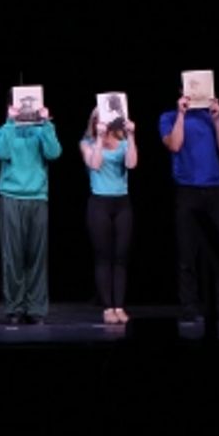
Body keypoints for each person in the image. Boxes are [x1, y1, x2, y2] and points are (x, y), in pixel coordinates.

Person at [160, 93, 219, 322]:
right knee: (187, 253)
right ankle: (190, 307)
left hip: (216, 189)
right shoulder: (168, 117)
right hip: (188, 190)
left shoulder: (211, 116)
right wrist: (181, 114)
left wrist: (217, 120)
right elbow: (174, 145)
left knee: (218, 253)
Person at [0, 103, 62, 325]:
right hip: (11, 197)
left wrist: (46, 123)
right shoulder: (2, 131)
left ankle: (36, 308)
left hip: (37, 197)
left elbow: (54, 153)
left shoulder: (41, 131)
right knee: (13, 257)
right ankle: (14, 308)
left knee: (36, 256)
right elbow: (2, 152)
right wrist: (10, 122)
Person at [80, 110, 138, 325]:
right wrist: (99, 138)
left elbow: (131, 164)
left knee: (121, 256)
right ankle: (107, 307)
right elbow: (94, 164)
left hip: (122, 203)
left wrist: (131, 136)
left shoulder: (123, 143)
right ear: (94, 121)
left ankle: (119, 306)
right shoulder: (86, 143)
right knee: (103, 256)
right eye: (99, 118)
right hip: (99, 203)